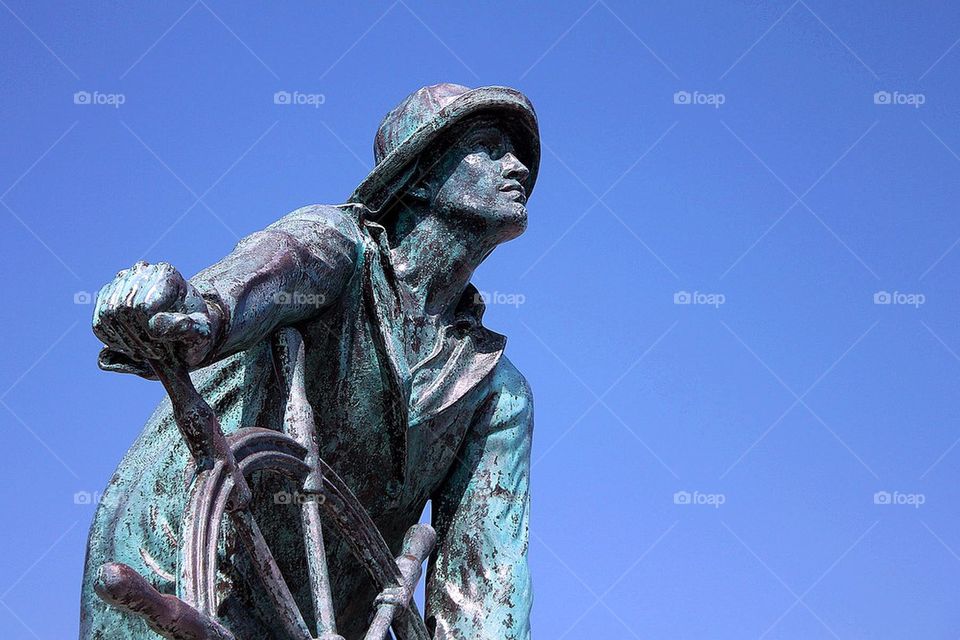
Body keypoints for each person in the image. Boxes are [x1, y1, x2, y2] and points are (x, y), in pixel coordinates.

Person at [80, 83, 540, 640]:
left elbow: (485, 583)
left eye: (516, 152)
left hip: (312, 619)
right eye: (489, 145)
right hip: (179, 559)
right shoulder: (335, 246)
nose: (516, 165)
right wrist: (189, 317)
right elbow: (261, 276)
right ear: (417, 174)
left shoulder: (497, 393)